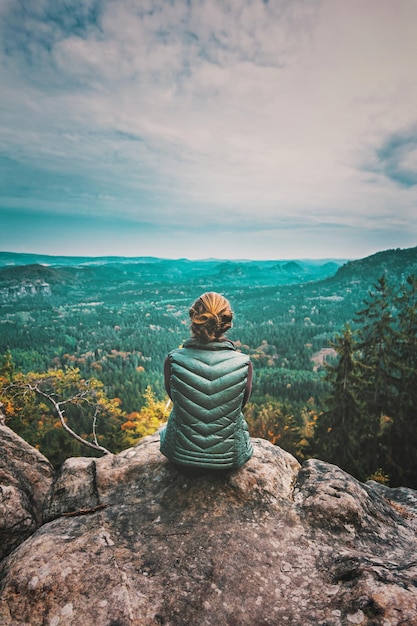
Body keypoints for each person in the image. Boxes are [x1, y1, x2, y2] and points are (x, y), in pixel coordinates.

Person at [160, 292, 253, 476]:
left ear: (194, 317)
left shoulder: (173, 360)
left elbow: (177, 400)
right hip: (229, 460)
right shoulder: (244, 363)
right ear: (226, 322)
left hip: (181, 458)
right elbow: (239, 406)